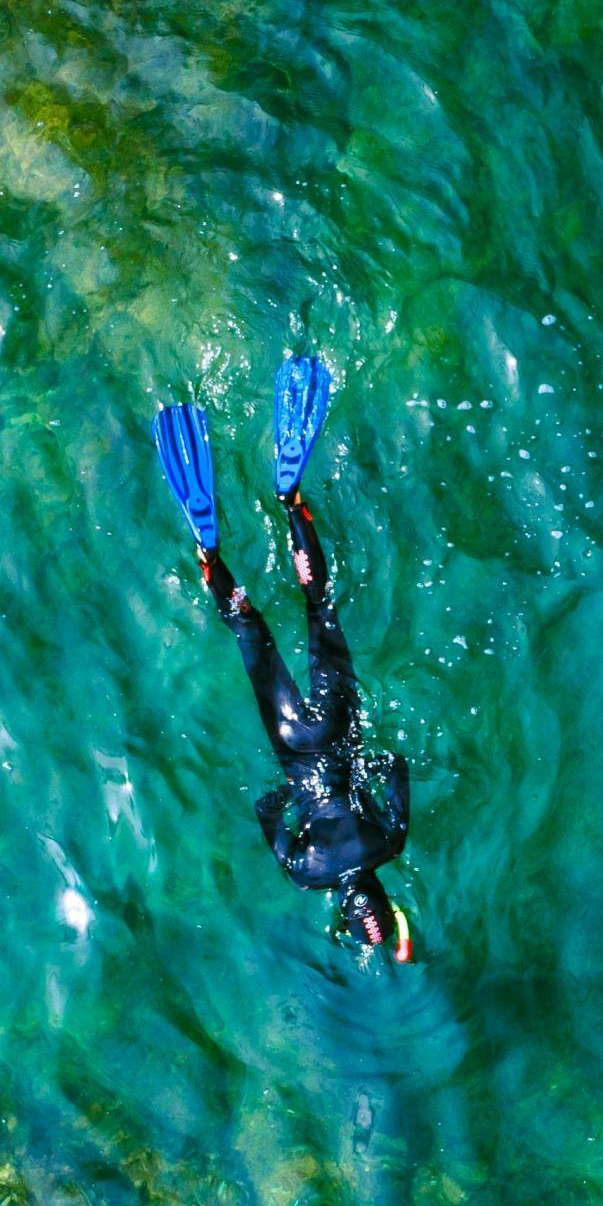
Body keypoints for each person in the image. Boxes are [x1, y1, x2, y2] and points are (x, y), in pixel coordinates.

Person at [150, 356, 414, 960]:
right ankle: (211, 559)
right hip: (295, 744)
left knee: (319, 605)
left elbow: (393, 763)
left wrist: (355, 766)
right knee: (250, 631)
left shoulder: (391, 842)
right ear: (345, 914)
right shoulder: (305, 871)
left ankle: (292, 500)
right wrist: (305, 790)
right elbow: (267, 805)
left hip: (339, 731)